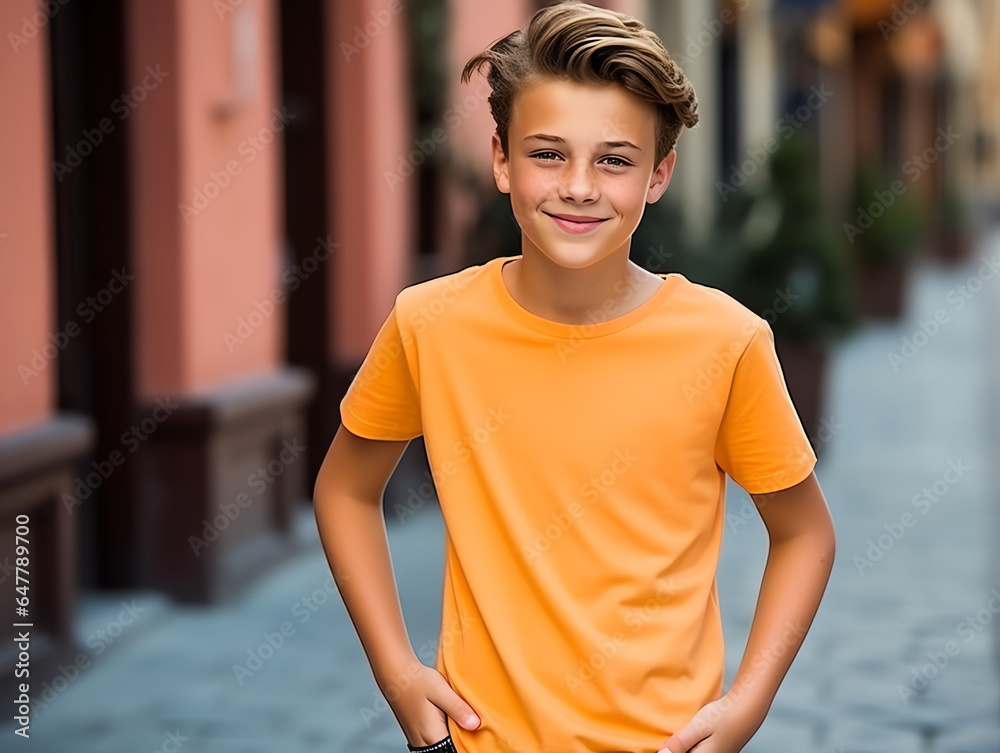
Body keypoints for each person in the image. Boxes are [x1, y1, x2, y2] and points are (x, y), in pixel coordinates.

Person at [312, 2, 836, 752]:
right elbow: (344, 488)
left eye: (615, 160)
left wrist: (745, 706)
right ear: (501, 159)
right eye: (548, 154)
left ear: (659, 175)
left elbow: (806, 534)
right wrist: (397, 672)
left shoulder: (726, 340)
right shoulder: (430, 324)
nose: (581, 187)